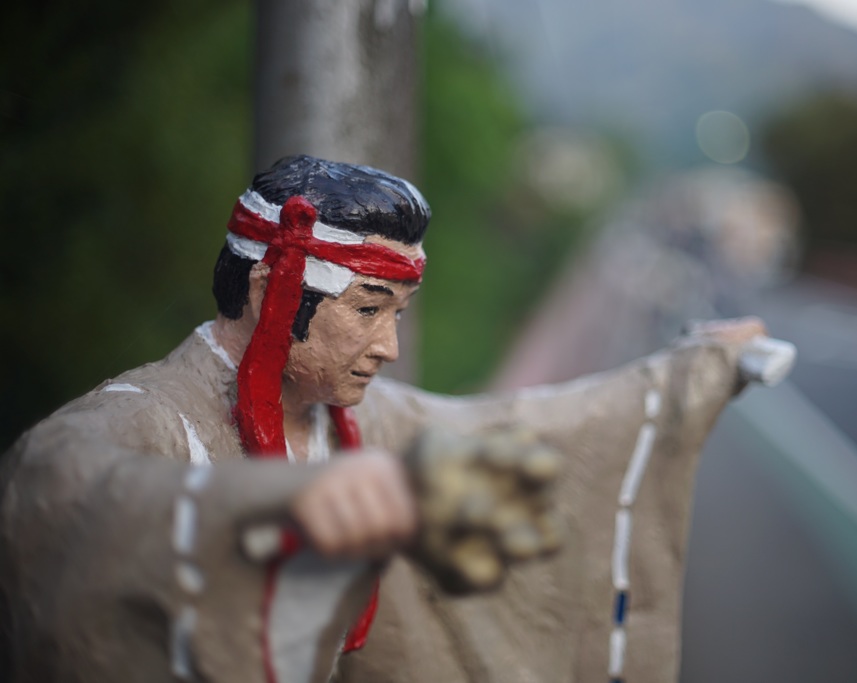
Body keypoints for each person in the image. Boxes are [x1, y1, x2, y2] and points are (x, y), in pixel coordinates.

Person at [0, 155, 781, 683]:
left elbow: (520, 430)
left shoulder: (358, 421)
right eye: (369, 309)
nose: (389, 345)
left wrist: (686, 376)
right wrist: (263, 508)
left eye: (397, 312)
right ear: (275, 282)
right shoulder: (147, 417)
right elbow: (64, 487)